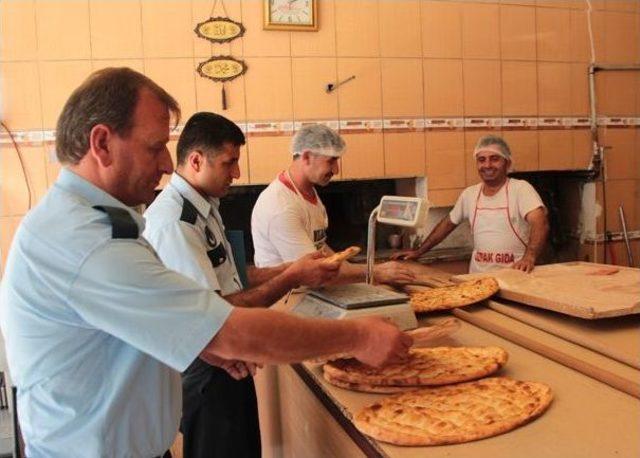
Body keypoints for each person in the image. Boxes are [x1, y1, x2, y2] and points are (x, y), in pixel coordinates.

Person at [0, 68, 412, 457]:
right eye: (154, 146)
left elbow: (159, 312)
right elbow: (229, 328)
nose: (165, 163)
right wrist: (358, 337)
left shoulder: (101, 220)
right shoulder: (84, 240)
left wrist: (206, 339)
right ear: (102, 143)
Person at [144, 112, 341, 457]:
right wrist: (293, 277)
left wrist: (289, 268)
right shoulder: (176, 222)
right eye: (229, 162)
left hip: (228, 360)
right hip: (207, 369)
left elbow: (234, 276)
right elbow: (214, 315)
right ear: (196, 160)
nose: (236, 173)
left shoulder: (204, 206)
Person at [251, 124, 416, 284]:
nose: (336, 170)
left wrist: (356, 272)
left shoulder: (308, 192)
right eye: (331, 161)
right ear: (307, 157)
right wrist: (375, 272)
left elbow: (320, 248)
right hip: (286, 299)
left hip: (310, 292)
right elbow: (314, 271)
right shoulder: (281, 206)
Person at [393, 135, 549, 273]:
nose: (487, 165)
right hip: (478, 277)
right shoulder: (470, 194)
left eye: (494, 159)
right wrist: (419, 252)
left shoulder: (520, 189)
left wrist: (529, 257)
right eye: (482, 160)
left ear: (507, 163)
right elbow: (447, 224)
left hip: (514, 276)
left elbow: (540, 223)